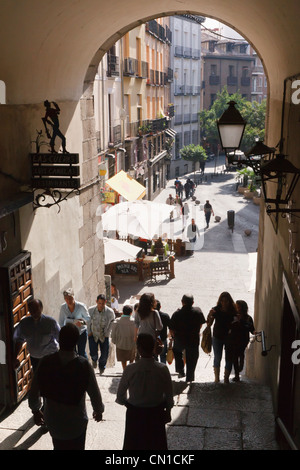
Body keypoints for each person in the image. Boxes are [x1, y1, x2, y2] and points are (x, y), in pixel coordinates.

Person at [28, 323, 104, 450]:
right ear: (76, 341)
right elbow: (94, 393)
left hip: (53, 421)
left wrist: (36, 410)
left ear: (59, 339)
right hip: (76, 422)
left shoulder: (45, 362)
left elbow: (34, 390)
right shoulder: (84, 365)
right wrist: (98, 410)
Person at [116, 333, 174, 450]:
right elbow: (169, 395)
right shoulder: (162, 369)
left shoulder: (130, 369)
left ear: (138, 348)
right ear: (154, 347)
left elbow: (120, 396)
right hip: (156, 415)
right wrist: (167, 411)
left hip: (135, 415)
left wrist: (129, 404)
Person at [13, 298, 60, 372]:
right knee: (39, 381)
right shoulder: (25, 324)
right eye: (31, 310)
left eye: (36, 310)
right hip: (35, 360)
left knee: (52, 380)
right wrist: (15, 356)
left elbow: (60, 339)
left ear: (41, 308)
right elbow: (19, 339)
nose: (34, 313)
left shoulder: (50, 323)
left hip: (50, 359)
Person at [169, 294, 206, 383]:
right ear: (193, 302)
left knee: (177, 352)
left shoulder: (176, 314)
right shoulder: (198, 311)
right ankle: (189, 378)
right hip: (193, 339)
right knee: (192, 359)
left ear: (182, 302)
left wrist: (173, 337)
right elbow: (201, 325)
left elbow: (171, 329)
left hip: (180, 339)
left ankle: (181, 370)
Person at [207, 292, 237, 383]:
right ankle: (216, 379)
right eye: (222, 301)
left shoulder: (233, 311)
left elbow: (236, 324)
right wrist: (210, 314)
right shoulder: (216, 310)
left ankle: (226, 378)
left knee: (228, 358)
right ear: (220, 301)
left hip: (229, 338)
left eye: (226, 301)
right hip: (217, 337)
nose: (224, 303)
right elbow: (209, 323)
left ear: (229, 301)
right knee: (217, 357)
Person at [226, 300, 256, 382]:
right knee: (235, 357)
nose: (237, 308)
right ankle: (237, 375)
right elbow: (229, 325)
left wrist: (254, 332)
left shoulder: (248, 318)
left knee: (240, 353)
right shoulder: (233, 316)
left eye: (238, 306)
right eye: (236, 306)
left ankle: (241, 365)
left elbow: (251, 328)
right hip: (234, 339)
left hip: (243, 339)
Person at [59, 288, 90, 359]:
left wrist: (81, 322)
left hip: (81, 332)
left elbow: (88, 319)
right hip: (69, 334)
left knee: (82, 353)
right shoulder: (63, 308)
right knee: (72, 353)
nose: (68, 300)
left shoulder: (81, 306)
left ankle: (85, 368)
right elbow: (61, 322)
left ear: (73, 297)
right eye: (66, 298)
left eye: (70, 298)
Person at [88, 294, 115, 375]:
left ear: (105, 302)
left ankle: (101, 367)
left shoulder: (110, 312)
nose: (101, 305)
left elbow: (112, 322)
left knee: (104, 354)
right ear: (96, 302)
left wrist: (107, 333)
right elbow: (87, 321)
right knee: (93, 352)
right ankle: (94, 360)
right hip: (93, 335)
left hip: (104, 335)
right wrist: (89, 332)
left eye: (102, 303)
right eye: (99, 303)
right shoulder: (91, 310)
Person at [111, 305, 136, 370]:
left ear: (123, 312)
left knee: (123, 360)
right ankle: (130, 371)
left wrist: (114, 341)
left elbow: (113, 333)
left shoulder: (117, 321)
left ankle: (125, 371)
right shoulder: (134, 322)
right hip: (132, 344)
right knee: (131, 359)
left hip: (120, 344)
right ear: (131, 313)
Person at [155, 300, 171, 364]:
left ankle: (155, 370)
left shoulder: (150, 316)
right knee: (163, 356)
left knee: (154, 356)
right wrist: (169, 336)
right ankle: (163, 371)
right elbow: (171, 328)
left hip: (153, 339)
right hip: (163, 339)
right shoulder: (165, 316)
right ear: (160, 307)